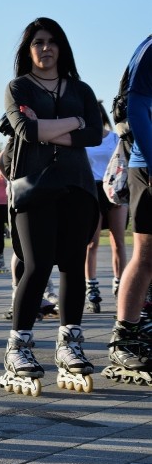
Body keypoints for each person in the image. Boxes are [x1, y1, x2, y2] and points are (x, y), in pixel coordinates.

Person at [0, 17, 102, 396]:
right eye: (38, 42)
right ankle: (18, 348)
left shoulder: (81, 88)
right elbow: (27, 132)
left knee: (73, 265)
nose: (46, 48)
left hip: (77, 187)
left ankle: (69, 344)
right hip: (34, 188)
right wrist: (71, 124)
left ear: (62, 48)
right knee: (37, 264)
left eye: (52, 41)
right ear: (29, 50)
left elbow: (95, 132)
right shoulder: (17, 88)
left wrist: (51, 124)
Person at [104, 33, 152, 386]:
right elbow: (135, 109)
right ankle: (124, 336)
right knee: (146, 253)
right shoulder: (150, 49)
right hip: (147, 164)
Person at [84, 102, 128, 313]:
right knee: (91, 243)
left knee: (118, 241)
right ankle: (91, 287)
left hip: (114, 187)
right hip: (92, 190)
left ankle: (120, 283)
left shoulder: (114, 138)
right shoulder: (83, 139)